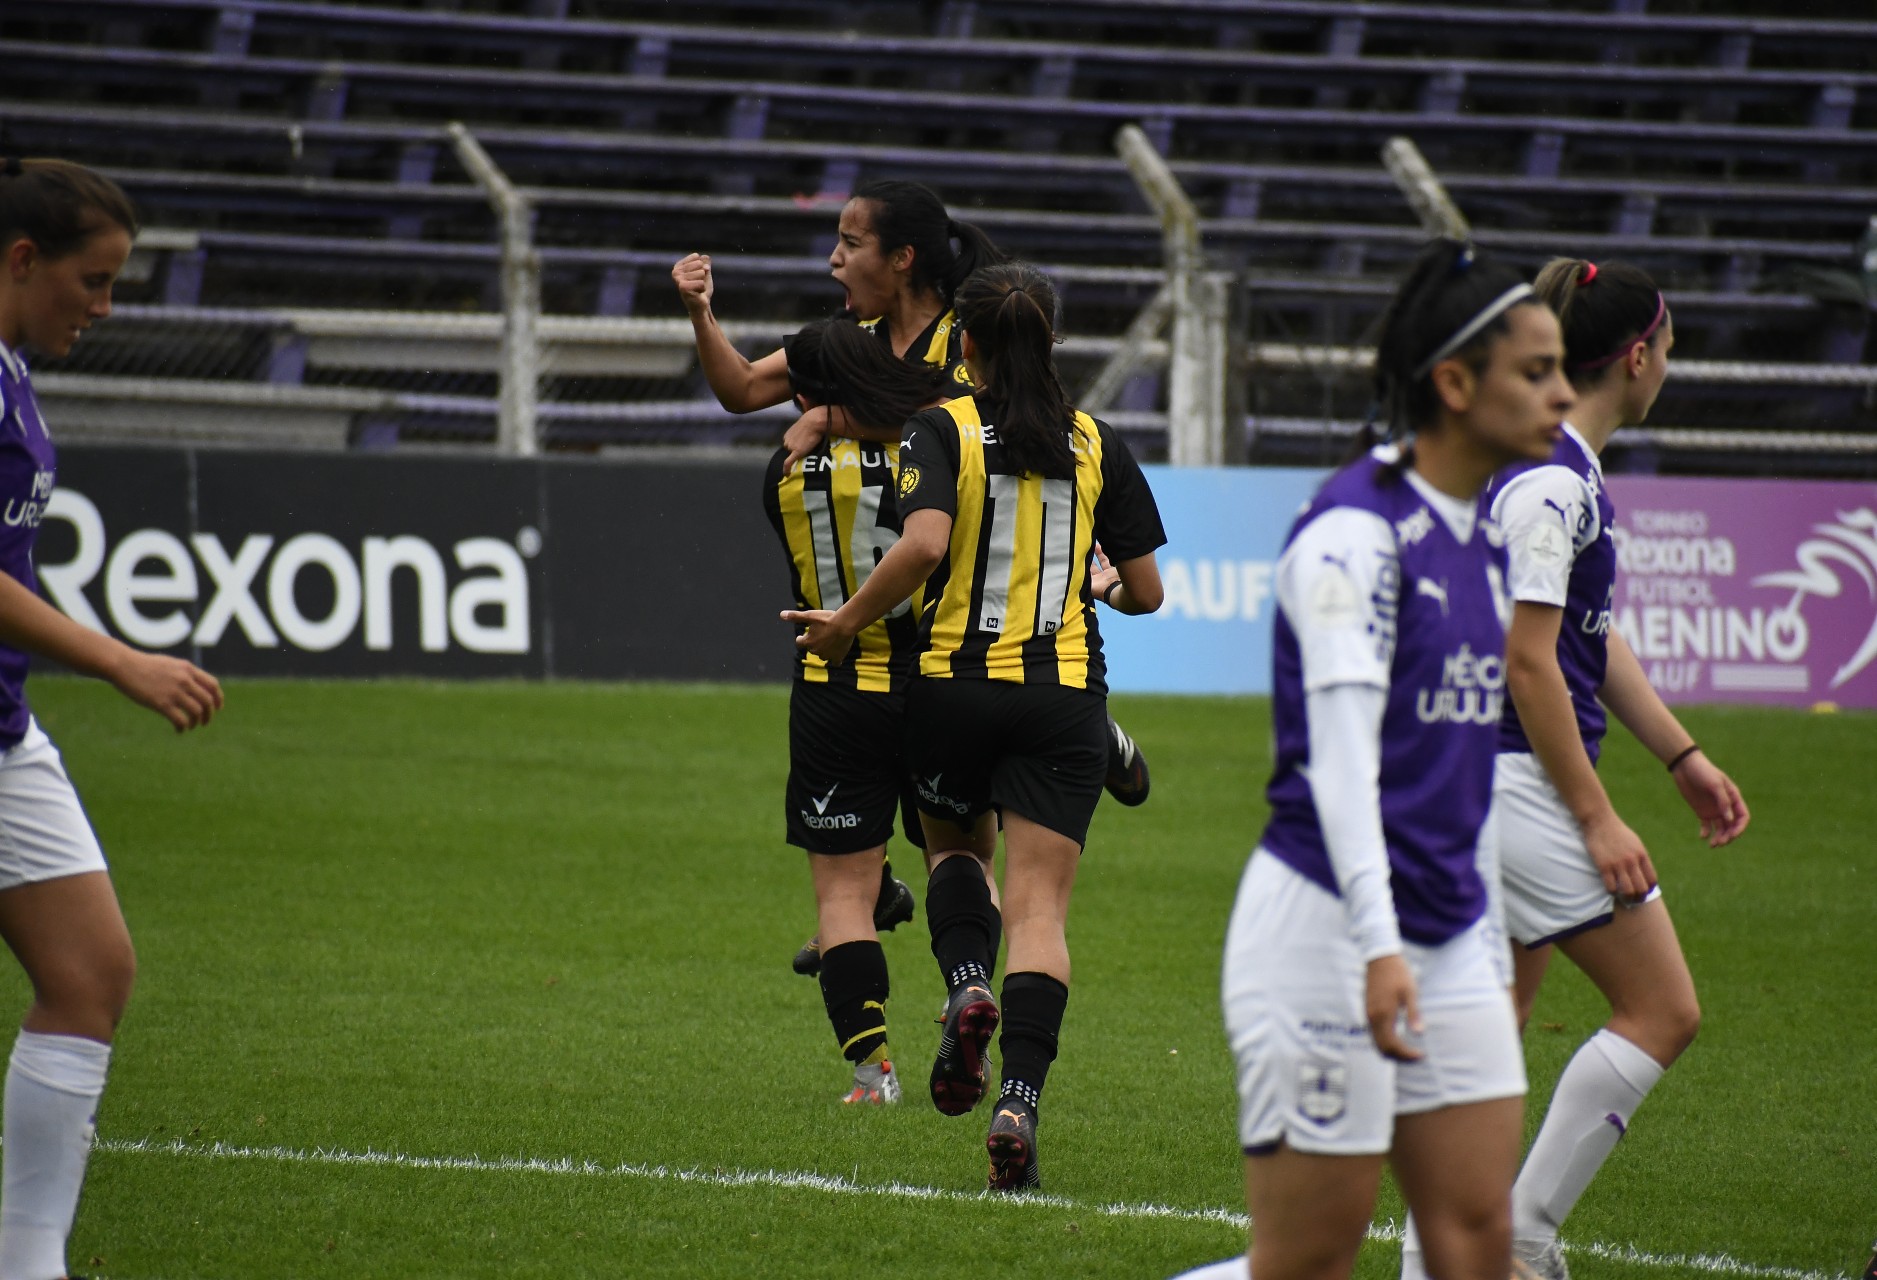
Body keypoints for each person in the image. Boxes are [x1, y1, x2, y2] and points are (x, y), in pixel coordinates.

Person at [1176, 240, 1572, 1280]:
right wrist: (1380, 944)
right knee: (1308, 1257)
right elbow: (1343, 768)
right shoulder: (1353, 536)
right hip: (1326, 930)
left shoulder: (1482, 541)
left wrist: (1474, 931)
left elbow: (1457, 774)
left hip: (1444, 936)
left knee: (1476, 1241)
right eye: (1534, 370)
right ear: (1453, 382)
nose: (1563, 393)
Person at [672, 180, 1151, 978]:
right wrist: (700, 314)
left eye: (850, 244)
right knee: (923, 827)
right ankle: (897, 920)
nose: (833, 261)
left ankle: (946, 967)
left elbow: (974, 418)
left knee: (967, 837)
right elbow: (740, 391)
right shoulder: (840, 342)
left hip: (962, 615)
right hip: (882, 610)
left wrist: (835, 416)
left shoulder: (973, 337)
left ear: (901, 260)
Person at [1399, 259, 1749, 1280]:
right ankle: (1521, 1233)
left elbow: (1583, 640)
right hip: (1506, 782)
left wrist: (1677, 753)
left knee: (1485, 1041)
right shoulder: (1552, 477)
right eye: (1669, 348)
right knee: (1661, 1009)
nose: (1666, 367)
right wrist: (1597, 816)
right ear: (1635, 356)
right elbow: (1528, 657)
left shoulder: (1551, 466)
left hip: (1468, 781)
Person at [786, 261, 1166, 1192]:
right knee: (1040, 915)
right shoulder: (1095, 441)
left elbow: (919, 546)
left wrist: (844, 623)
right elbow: (1147, 591)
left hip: (951, 691)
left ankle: (965, 987)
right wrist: (1098, 584)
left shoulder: (938, 427)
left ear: (966, 344)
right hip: (1062, 696)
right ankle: (1018, 1104)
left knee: (956, 860)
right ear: (1052, 341)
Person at [0, 157, 223, 1280]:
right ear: (22, 259)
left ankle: (28, 1262)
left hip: (2, 730)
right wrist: (122, 660)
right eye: (93, 280)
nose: (105, 305)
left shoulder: (14, 372)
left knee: (90, 971)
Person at [758, 317, 949, 1105]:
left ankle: (874, 1076)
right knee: (959, 861)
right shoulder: (930, 451)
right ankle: (967, 994)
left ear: (804, 393)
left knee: (840, 894)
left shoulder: (783, 469)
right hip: (937, 681)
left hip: (836, 689)